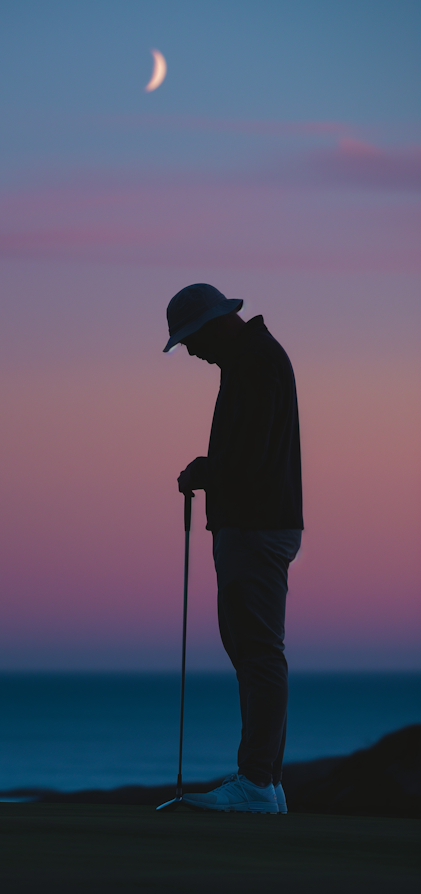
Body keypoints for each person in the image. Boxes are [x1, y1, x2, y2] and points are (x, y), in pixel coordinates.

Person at [163, 283, 303, 814]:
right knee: (254, 652)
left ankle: (257, 783)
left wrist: (204, 471)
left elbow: (249, 459)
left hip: (255, 527)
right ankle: (266, 782)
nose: (192, 352)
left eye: (192, 339)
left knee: (258, 653)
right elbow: (250, 452)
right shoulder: (251, 360)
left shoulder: (255, 363)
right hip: (256, 524)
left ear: (215, 324)